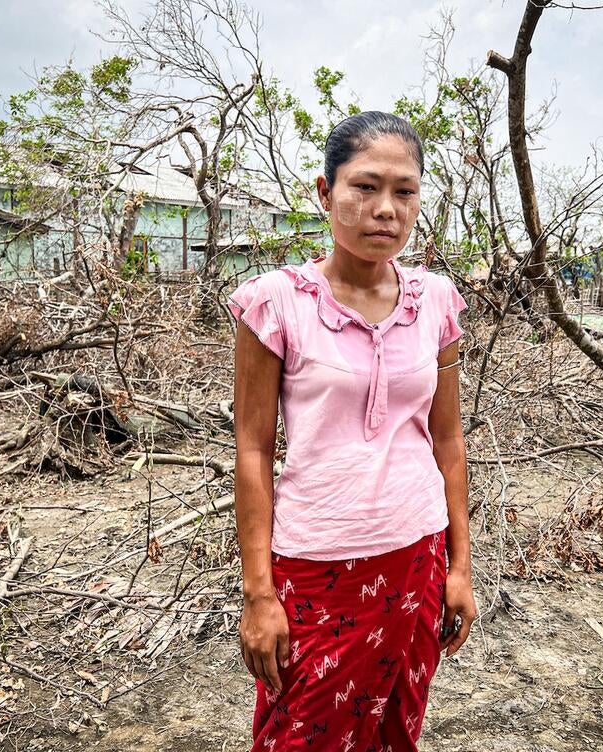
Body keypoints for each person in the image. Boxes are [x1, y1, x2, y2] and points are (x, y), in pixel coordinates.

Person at [229, 110, 476, 751]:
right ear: (324, 191)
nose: (384, 209)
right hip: (315, 564)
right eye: (364, 187)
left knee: (395, 730)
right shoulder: (276, 304)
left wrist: (460, 567)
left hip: (417, 556)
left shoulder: (436, 303)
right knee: (301, 734)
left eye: (404, 191)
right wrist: (259, 594)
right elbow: (253, 450)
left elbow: (447, 440)